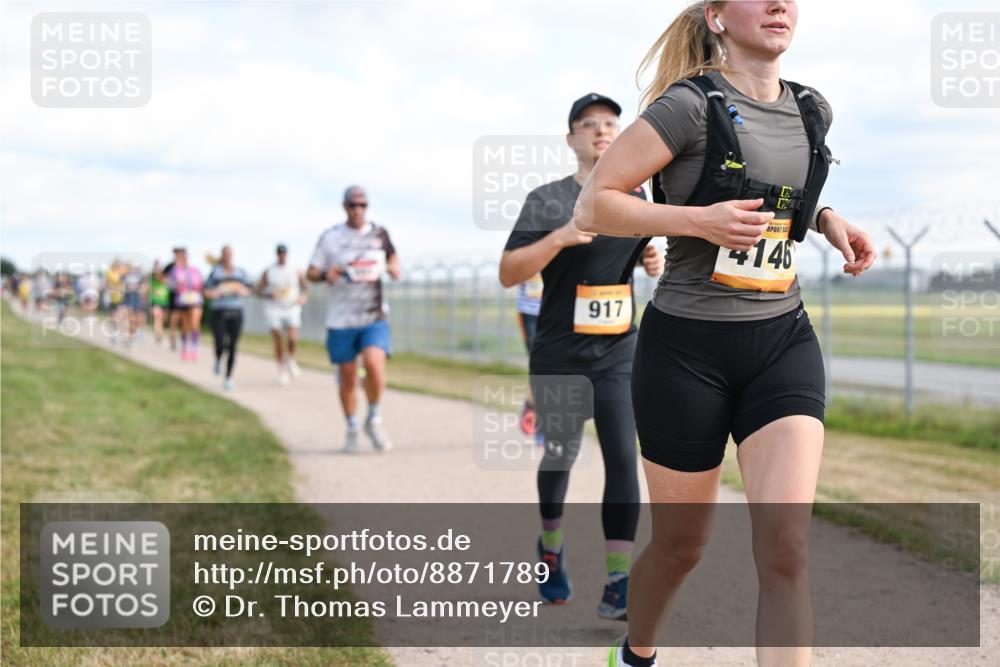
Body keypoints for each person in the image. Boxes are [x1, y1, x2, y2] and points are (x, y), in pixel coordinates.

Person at [574, 3, 877, 666]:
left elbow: (782, 189)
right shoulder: (688, 106)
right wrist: (695, 221)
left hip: (780, 341)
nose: (779, 6)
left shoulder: (810, 108)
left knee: (786, 546)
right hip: (686, 350)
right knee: (683, 545)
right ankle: (637, 649)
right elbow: (593, 202)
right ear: (716, 17)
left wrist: (826, 219)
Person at [498, 93, 663, 619]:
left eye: (610, 123)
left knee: (621, 456)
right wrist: (561, 236)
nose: (600, 131)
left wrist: (650, 256)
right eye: (588, 125)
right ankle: (550, 547)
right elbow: (509, 271)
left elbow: (636, 257)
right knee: (562, 455)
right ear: (571, 139)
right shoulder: (546, 199)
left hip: (618, 350)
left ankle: (618, 584)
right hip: (559, 354)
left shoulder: (636, 198)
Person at [307, 185, 401, 453]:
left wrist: (394, 267)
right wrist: (326, 274)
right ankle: (350, 426)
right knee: (348, 378)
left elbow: (393, 258)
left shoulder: (379, 234)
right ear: (344, 206)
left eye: (362, 205)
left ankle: (374, 417)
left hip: (374, 316)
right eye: (353, 205)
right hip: (341, 320)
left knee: (374, 363)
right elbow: (310, 272)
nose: (358, 210)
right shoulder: (331, 238)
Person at [257, 244, 308, 385]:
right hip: (274, 308)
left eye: (284, 253)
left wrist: (303, 297)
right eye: (280, 253)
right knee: (278, 336)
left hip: (291, 306)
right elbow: (258, 290)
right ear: (276, 254)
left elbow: (305, 288)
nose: (282, 255)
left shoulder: (295, 270)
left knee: (292, 338)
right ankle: (281, 370)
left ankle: (290, 359)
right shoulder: (269, 271)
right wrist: (268, 293)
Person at [205, 245, 253, 390]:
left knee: (233, 345)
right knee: (219, 342)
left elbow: (250, 289)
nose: (228, 256)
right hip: (219, 311)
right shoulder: (215, 272)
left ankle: (229, 377)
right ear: (222, 255)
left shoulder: (240, 272)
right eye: (225, 253)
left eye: (230, 253)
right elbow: (206, 290)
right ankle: (218, 358)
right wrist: (213, 293)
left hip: (236, 311)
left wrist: (242, 290)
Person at [515, 272, 543, 441]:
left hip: (555, 309)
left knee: (553, 365)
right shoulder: (527, 245)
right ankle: (535, 414)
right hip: (529, 312)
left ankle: (531, 402)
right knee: (538, 365)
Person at [167, 248, 205, 361]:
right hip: (183, 300)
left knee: (195, 323)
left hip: (195, 299)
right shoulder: (175, 270)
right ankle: (185, 346)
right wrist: (177, 285)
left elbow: (200, 284)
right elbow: (171, 285)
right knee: (185, 325)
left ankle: (195, 347)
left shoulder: (195, 270)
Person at [149, 261, 170, 344]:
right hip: (155, 300)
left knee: (162, 319)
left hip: (164, 301)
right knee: (157, 317)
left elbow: (167, 283)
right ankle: (157, 335)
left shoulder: (165, 277)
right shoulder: (152, 278)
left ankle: (159, 333)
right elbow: (149, 288)